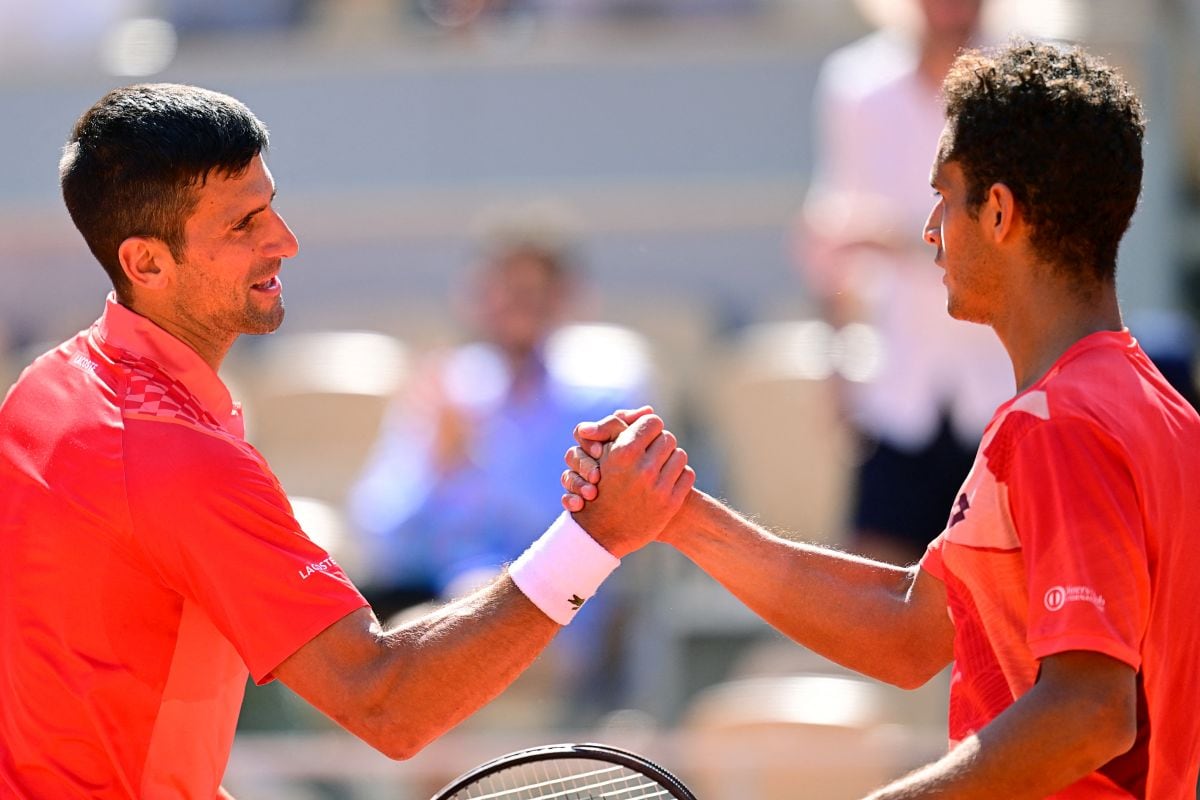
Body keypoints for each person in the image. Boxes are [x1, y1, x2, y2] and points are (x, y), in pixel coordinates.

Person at [0, 83, 694, 798]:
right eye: (244, 224)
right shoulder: (179, 458)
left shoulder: (43, 392)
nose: (285, 241)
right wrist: (594, 537)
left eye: (271, 205)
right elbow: (386, 703)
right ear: (147, 263)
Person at [564, 41, 1200, 797]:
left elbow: (1092, 712)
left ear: (998, 212)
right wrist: (676, 515)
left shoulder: (1056, 424)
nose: (930, 228)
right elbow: (910, 629)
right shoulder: (1160, 411)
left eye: (944, 195)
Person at [348, 221, 647, 718]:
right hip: (441, 607)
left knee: (435, 648)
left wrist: (476, 463)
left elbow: (589, 526)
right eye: (501, 288)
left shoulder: (603, 394)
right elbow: (383, 530)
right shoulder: (449, 388)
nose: (513, 305)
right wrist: (441, 465)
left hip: (557, 613)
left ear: (565, 296)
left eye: (531, 291)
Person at [800, 0, 1013, 564]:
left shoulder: (1023, 82)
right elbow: (833, 237)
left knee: (1012, 596)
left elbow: (1015, 236)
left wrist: (894, 240)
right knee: (877, 595)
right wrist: (840, 361)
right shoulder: (857, 86)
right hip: (899, 383)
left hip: (1006, 382)